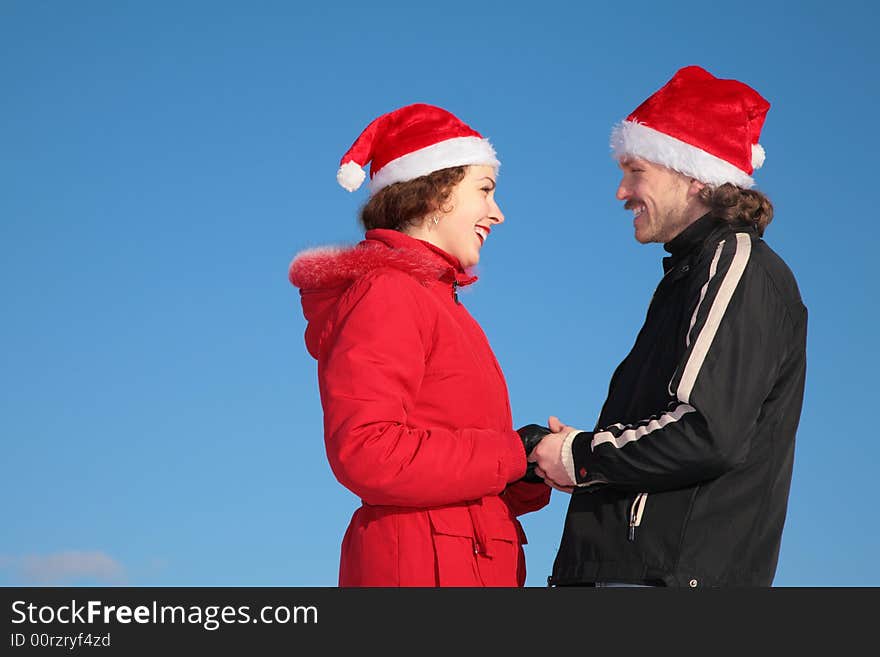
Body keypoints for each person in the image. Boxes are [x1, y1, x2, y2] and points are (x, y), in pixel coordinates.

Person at [527, 66, 807, 587]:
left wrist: (581, 456)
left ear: (694, 176)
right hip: (634, 576)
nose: (621, 192)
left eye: (636, 171)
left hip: (664, 582)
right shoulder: (691, 273)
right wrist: (585, 455)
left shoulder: (735, 265)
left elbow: (706, 430)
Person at [288, 103, 551, 587]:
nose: (498, 212)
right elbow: (369, 451)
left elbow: (458, 467)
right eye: (485, 191)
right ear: (433, 195)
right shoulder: (390, 293)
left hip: (462, 562)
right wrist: (512, 452)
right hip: (421, 567)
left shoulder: (443, 304)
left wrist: (526, 470)